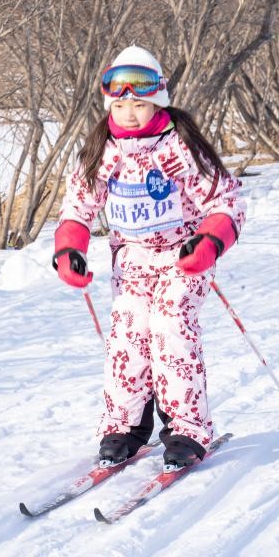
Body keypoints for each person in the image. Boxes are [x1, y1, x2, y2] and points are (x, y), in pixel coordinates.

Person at [52, 45, 246, 469]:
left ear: (157, 100)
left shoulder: (178, 148)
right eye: (120, 104)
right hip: (133, 261)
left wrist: (209, 241)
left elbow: (225, 200)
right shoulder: (103, 150)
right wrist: (70, 249)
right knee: (128, 334)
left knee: (170, 325)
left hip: (183, 257)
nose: (129, 113)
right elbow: (79, 206)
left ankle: (186, 428)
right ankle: (125, 425)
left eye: (139, 103)